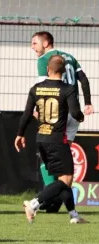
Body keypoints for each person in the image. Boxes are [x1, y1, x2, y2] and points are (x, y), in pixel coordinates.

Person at [15, 54, 88, 224]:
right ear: (63, 71)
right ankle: (34, 203)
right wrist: (81, 117)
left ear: (48, 69)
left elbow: (27, 114)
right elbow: (75, 112)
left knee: (63, 178)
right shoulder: (67, 89)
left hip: (41, 138)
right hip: (57, 139)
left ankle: (74, 215)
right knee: (67, 179)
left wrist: (20, 134)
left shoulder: (36, 88)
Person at [31, 31, 93, 213]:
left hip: (57, 112)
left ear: (46, 43)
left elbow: (44, 88)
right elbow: (83, 79)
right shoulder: (70, 57)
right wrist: (88, 103)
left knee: (47, 156)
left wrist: (37, 110)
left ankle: (49, 199)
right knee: (63, 159)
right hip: (74, 111)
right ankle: (60, 201)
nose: (32, 47)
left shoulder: (45, 60)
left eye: (35, 43)